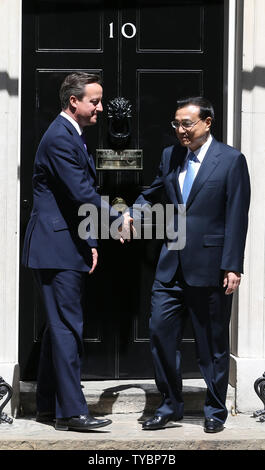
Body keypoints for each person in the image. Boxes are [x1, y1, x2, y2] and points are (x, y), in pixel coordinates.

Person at [131, 97, 250, 433]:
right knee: (160, 334)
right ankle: (170, 404)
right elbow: (152, 192)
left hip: (212, 266)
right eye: (176, 124)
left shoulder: (231, 161)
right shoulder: (171, 156)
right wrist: (130, 213)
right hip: (171, 265)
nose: (180, 130)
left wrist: (233, 266)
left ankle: (215, 409)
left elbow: (237, 217)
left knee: (212, 344)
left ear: (207, 122)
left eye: (187, 124)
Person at [22, 72, 131, 431]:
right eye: (95, 101)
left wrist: (90, 242)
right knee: (68, 329)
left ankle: (48, 408)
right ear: (74, 101)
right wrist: (117, 221)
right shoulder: (60, 139)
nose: (101, 107)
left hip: (65, 244)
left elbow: (73, 201)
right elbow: (82, 194)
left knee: (58, 330)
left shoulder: (70, 135)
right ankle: (72, 412)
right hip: (56, 248)